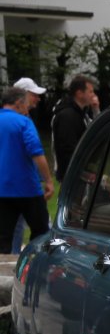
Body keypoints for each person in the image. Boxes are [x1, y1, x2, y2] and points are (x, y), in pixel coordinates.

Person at [1, 81, 54, 254]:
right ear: (18, 103)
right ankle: (33, 261)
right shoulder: (24, 122)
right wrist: (48, 181)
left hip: (2, 190)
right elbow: (37, 153)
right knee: (41, 232)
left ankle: (4, 266)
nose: (26, 108)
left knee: (4, 237)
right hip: (27, 188)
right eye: (25, 103)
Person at [50, 74, 98, 179]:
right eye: (90, 92)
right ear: (79, 93)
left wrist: (96, 110)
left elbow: (98, 130)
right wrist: (82, 173)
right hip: (72, 176)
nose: (94, 95)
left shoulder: (82, 113)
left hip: (80, 172)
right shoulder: (67, 116)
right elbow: (68, 150)